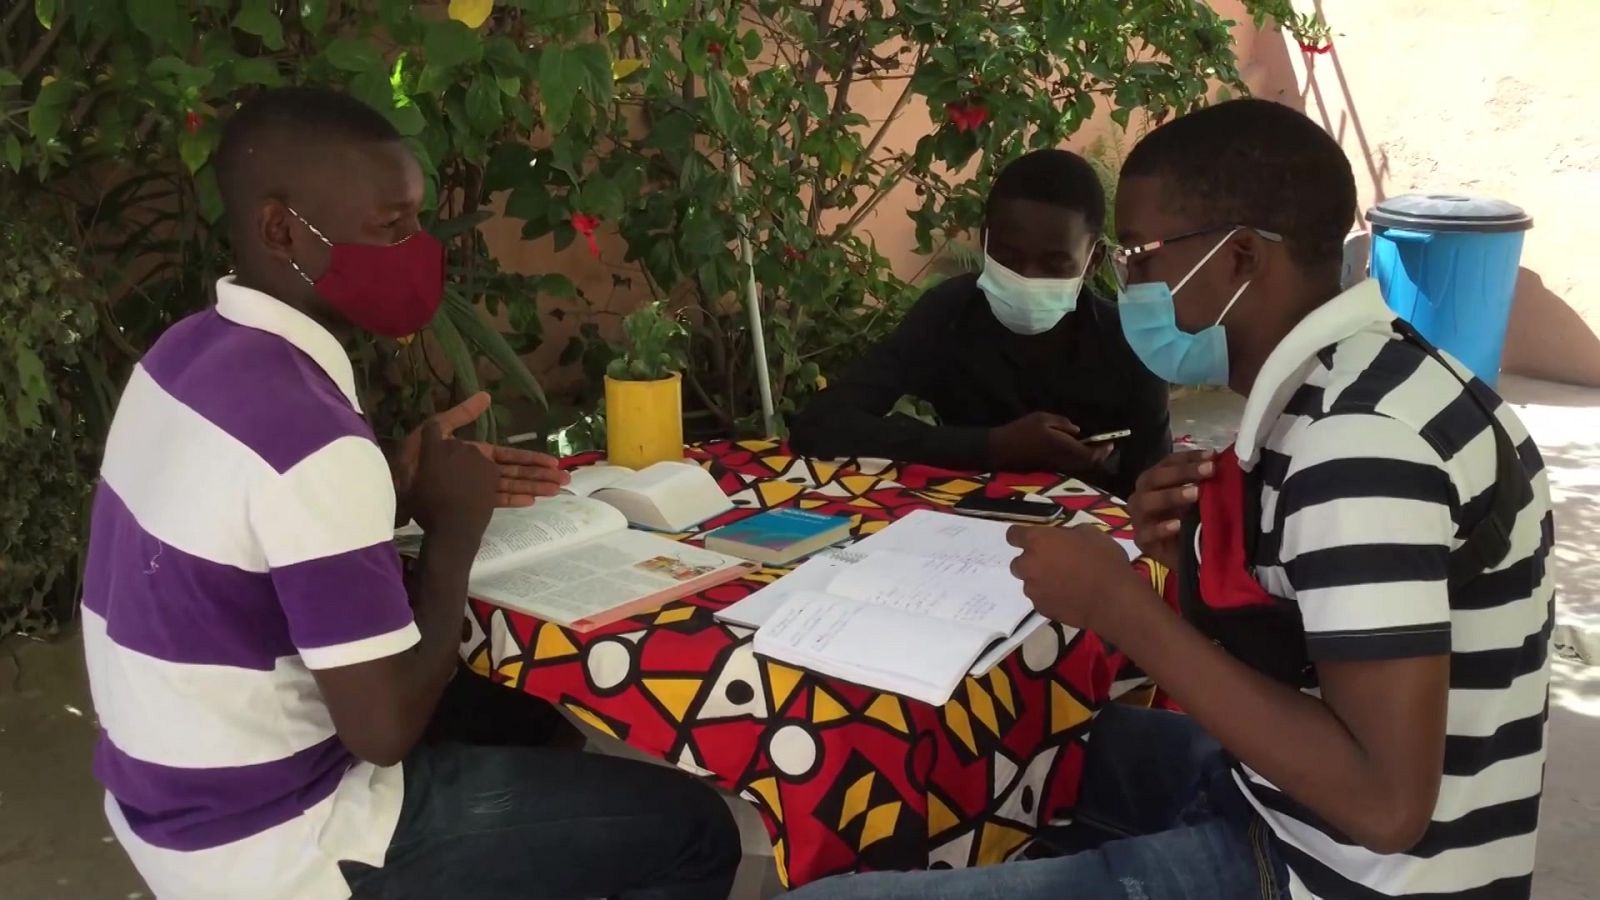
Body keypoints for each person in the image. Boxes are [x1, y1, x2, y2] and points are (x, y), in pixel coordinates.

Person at [787, 99, 1553, 899]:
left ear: (1240, 259)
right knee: (989, 742)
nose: (1130, 285)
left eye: (1140, 257)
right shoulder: (1383, 378)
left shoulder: (1358, 442)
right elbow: (1318, 638)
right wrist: (1187, 556)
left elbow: (1383, 803)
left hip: (1330, 873)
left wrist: (1122, 608)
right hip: (1283, 807)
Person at [82, 87, 740, 900]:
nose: (416, 250)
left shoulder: (182, 356)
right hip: (278, 842)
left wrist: (391, 486)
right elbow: (384, 731)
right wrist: (455, 532)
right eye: (389, 228)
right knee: (693, 831)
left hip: (164, 803)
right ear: (281, 229)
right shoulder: (312, 439)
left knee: (526, 721)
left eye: (416, 221)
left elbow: (239, 528)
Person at [789, 149, 1170, 498]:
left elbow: (1155, 493)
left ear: (1094, 260)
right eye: (1008, 257)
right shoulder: (949, 315)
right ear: (985, 241)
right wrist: (992, 446)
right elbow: (822, 425)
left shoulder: (1132, 345)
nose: (1026, 277)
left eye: (1055, 265)